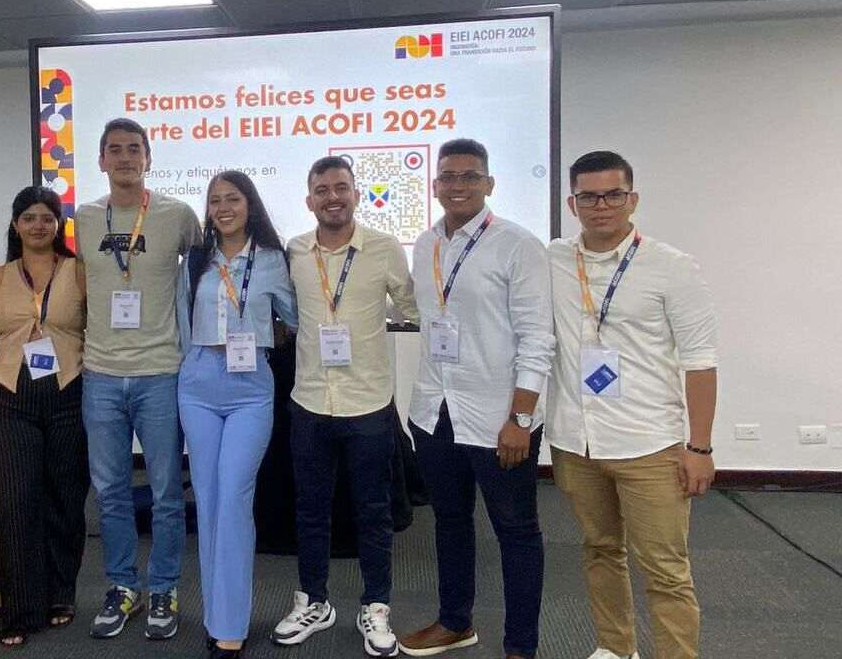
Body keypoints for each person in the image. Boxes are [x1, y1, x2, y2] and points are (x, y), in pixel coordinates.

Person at [548, 151, 718, 659]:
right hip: (575, 441)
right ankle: (616, 648)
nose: (601, 206)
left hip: (649, 444)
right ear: (572, 203)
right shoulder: (553, 259)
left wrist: (700, 447)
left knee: (665, 569)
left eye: (613, 194)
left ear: (632, 199)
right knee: (601, 551)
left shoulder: (672, 267)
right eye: (588, 196)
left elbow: (701, 362)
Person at [399, 140, 553, 659]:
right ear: (435, 184)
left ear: (489, 184)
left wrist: (521, 418)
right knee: (449, 522)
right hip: (435, 411)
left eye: (470, 176)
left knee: (516, 532)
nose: (458, 185)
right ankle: (455, 622)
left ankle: (520, 647)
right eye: (448, 176)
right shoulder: (425, 245)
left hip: (498, 417)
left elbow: (538, 339)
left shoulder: (517, 245)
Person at [272, 155, 418, 658]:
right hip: (310, 403)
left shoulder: (383, 250)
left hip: (368, 405)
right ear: (309, 199)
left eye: (341, 187)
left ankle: (376, 606)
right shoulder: (294, 251)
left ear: (356, 193)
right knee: (310, 511)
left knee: (373, 513)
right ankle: (314, 599)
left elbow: (414, 306)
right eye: (322, 189)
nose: (332, 196)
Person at [75, 118, 201, 640]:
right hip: (100, 374)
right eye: (114, 150)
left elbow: (210, 270)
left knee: (169, 492)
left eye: (134, 149)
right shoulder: (83, 219)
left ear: (149, 158)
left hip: (160, 373)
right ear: (101, 161)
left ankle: (164, 588)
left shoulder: (177, 215)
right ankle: (124, 586)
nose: (125, 157)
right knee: (110, 493)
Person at [176, 171, 298, 659]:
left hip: (250, 388)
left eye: (233, 198)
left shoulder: (273, 260)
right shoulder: (195, 262)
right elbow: (181, 320)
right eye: (215, 200)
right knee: (207, 501)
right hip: (199, 381)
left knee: (233, 496)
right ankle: (216, 616)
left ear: (250, 205)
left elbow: (295, 317)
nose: (223, 207)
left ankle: (230, 622)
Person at [0, 185, 88, 647]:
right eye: (29, 217)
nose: (38, 225)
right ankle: (21, 606)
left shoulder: (79, 271)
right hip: (9, 394)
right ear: (15, 225)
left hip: (69, 391)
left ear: (58, 224)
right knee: (16, 500)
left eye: (47, 217)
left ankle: (60, 593)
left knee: (65, 497)